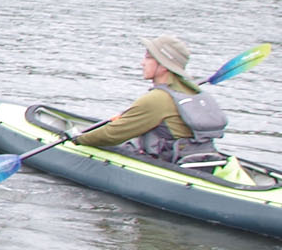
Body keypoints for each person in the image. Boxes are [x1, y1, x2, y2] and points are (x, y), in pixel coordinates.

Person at [75, 37, 229, 164]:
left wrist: (77, 139)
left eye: (148, 58)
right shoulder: (196, 93)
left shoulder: (157, 99)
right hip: (193, 158)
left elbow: (111, 134)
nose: (142, 63)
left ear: (163, 66)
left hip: (169, 163)